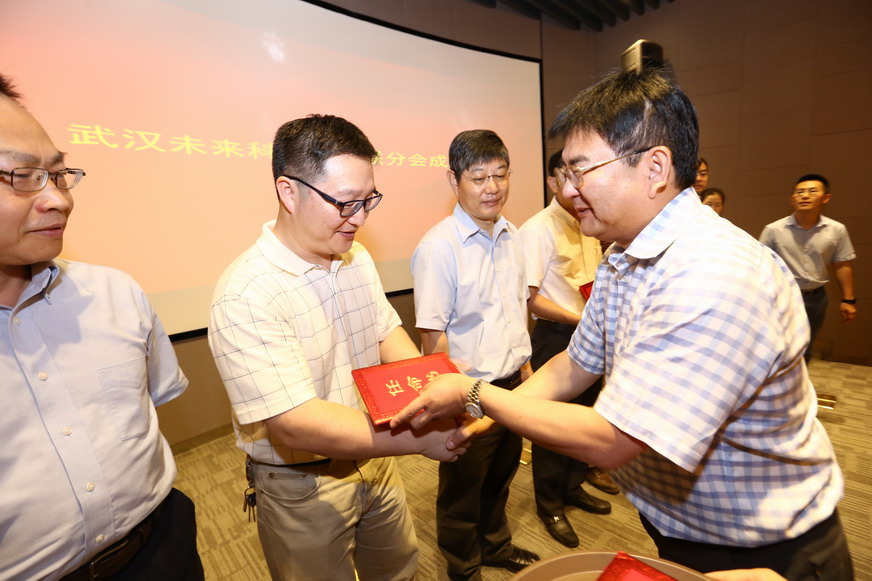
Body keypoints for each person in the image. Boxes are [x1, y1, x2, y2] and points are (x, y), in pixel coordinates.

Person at [392, 70, 854, 580]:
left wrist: (475, 394)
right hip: (684, 526)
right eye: (564, 173)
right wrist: (491, 412)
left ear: (655, 167)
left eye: (580, 171)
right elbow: (574, 364)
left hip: (762, 550)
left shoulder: (711, 273)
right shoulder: (622, 256)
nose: (567, 190)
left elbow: (614, 440)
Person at [208, 114, 466, 581]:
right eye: (345, 203)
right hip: (302, 484)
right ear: (289, 192)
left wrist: (437, 391)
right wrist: (419, 439)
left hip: (375, 456)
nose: (361, 218)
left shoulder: (355, 256)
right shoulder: (246, 293)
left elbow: (385, 334)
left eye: (369, 201)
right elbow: (294, 423)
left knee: (398, 569)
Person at [0, 76, 204, 579]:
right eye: (23, 176)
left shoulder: (114, 293)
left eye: (57, 174)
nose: (58, 199)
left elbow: (151, 406)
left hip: (161, 545)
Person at [411, 129, 539, 580]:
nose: (492, 187)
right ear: (454, 180)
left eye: (500, 175)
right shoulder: (439, 247)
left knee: (502, 476)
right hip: (469, 394)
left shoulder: (512, 234)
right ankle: (463, 566)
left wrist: (526, 370)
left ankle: (496, 545)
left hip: (513, 386)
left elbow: (515, 311)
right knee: (462, 490)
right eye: (479, 177)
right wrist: (453, 404)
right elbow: (432, 337)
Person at [519, 149, 613, 549]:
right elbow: (530, 299)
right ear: (551, 181)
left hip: (589, 332)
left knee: (584, 417)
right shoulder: (538, 229)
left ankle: (573, 486)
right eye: (567, 176)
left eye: (581, 175)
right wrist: (580, 320)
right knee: (553, 426)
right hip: (556, 335)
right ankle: (550, 504)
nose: (576, 185)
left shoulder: (588, 219)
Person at [759, 174, 857, 363]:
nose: (805, 196)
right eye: (800, 192)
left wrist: (848, 300)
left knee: (806, 346)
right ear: (792, 199)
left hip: (815, 298)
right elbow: (761, 264)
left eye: (812, 191)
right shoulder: (773, 230)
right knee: (776, 344)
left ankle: (799, 381)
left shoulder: (837, 230)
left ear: (826, 197)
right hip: (783, 295)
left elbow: (842, 264)